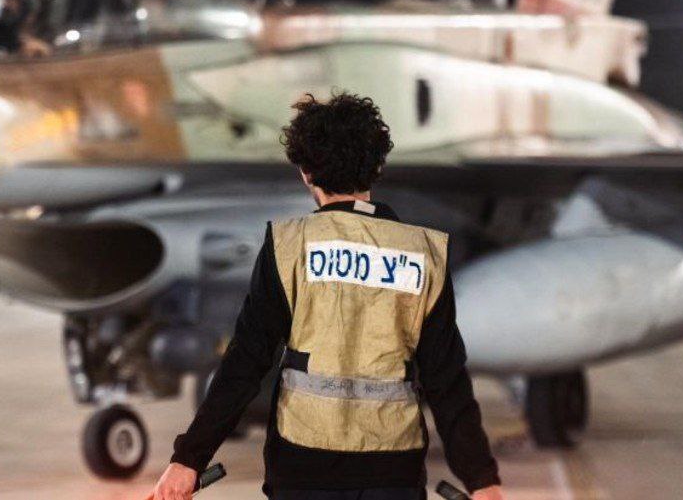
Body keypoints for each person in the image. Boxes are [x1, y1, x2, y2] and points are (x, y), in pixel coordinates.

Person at [150, 93, 503, 500]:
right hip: (392, 474)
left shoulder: (288, 246)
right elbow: (447, 380)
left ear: (306, 172)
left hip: (302, 471)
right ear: (377, 167)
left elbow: (246, 361)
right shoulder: (423, 254)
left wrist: (189, 460)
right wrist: (481, 480)